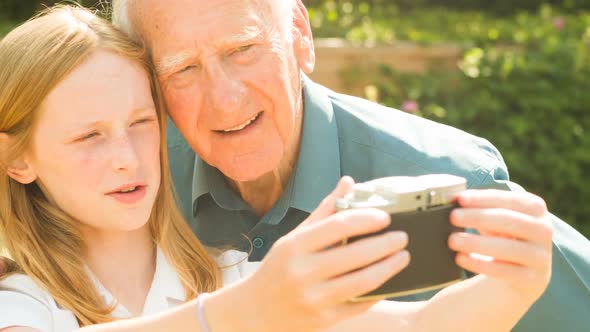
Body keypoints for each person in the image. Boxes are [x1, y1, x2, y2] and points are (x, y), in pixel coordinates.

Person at [0, 5, 555, 332]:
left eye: (141, 122)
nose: (125, 156)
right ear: (17, 159)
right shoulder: (21, 299)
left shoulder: (232, 274)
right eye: (88, 136)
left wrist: (515, 286)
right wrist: (242, 313)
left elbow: (412, 326)